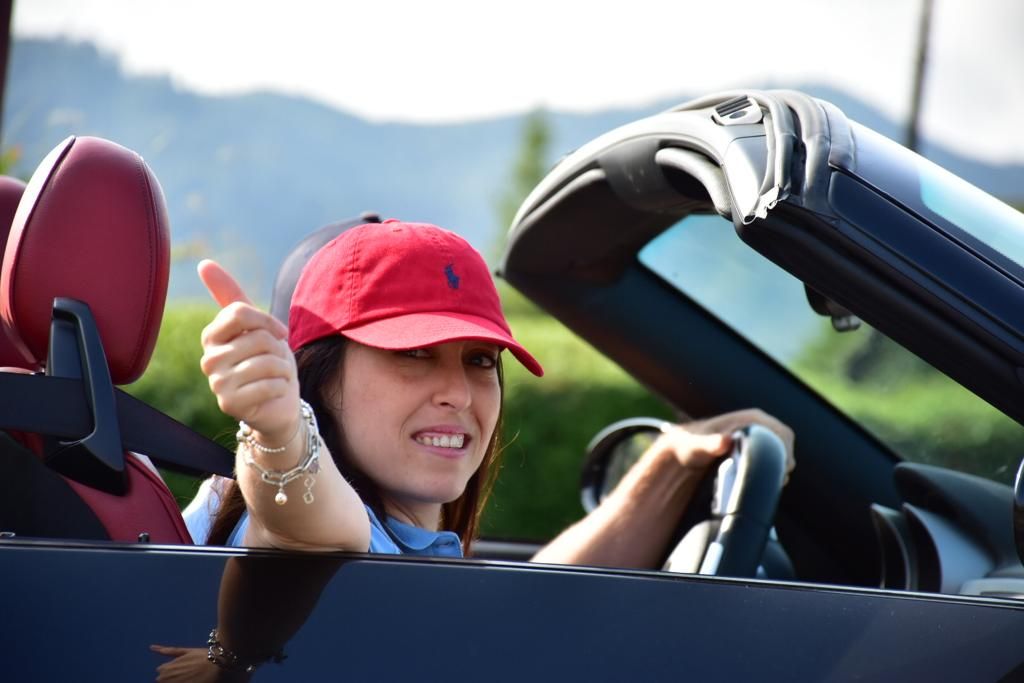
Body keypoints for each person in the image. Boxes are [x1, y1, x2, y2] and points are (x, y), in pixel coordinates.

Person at [184, 219, 794, 568]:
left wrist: (664, 466)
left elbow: (531, 611)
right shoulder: (308, 528)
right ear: (318, 373)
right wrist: (279, 434)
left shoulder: (405, 547)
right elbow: (299, 519)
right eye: (412, 354)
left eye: (480, 360)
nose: (457, 392)